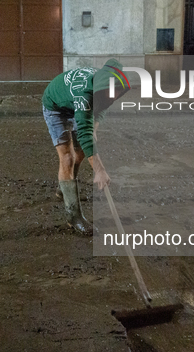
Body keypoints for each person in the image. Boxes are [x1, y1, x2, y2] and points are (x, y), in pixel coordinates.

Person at [42, 59, 129, 236]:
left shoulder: (105, 84)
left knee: (81, 151)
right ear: (101, 88)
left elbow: (101, 108)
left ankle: (63, 188)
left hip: (78, 105)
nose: (113, 97)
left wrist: (93, 128)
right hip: (56, 106)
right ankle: (73, 217)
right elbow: (85, 132)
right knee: (67, 157)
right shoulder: (85, 94)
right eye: (110, 93)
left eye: (117, 94)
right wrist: (99, 170)